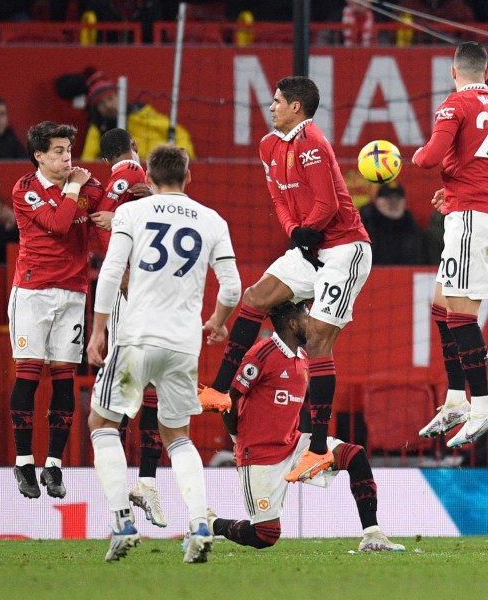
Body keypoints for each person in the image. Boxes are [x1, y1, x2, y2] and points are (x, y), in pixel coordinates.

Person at [207, 76, 372, 485]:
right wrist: (294, 232)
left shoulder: (313, 142)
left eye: (278, 101)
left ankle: (317, 449)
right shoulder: (269, 146)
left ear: (297, 106)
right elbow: (279, 197)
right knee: (255, 296)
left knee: (316, 339)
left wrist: (308, 229)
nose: (272, 107)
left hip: (344, 250)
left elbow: (329, 203)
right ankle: (219, 389)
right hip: (308, 249)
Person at [86, 144, 241, 563]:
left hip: (136, 337)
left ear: (148, 179)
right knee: (177, 435)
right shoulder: (212, 220)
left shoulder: (131, 213)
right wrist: (218, 321)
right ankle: (199, 524)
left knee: (102, 421)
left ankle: (121, 521)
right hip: (183, 345)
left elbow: (111, 272)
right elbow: (232, 288)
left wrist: (98, 330)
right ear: (188, 177)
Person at [208, 301, 406, 553]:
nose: (311, 322)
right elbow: (228, 399)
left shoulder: (304, 356)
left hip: (293, 444)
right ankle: (210, 523)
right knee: (265, 535)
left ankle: (372, 535)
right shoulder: (261, 355)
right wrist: (238, 436)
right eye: (306, 317)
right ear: (292, 324)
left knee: (355, 456)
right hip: (258, 454)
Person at [412, 41, 488, 448]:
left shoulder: (454, 105)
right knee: (441, 303)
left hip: (473, 219)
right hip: (487, 216)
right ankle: (456, 399)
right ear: (486, 73)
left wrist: (415, 155)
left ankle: (483, 405)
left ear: (454, 72)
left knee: (460, 314)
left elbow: (427, 158)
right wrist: (453, 190)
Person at [7, 121, 103, 499]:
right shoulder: (25, 189)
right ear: (39, 156)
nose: (67, 158)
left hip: (73, 294)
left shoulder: (86, 186)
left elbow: (111, 207)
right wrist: (77, 187)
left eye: (69, 150)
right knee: (29, 376)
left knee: (64, 379)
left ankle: (53, 467)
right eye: (59, 151)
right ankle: (23, 463)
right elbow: (60, 225)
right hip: (32, 293)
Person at [88, 127, 166, 527]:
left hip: (130, 293)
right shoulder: (135, 178)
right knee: (143, 391)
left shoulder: (121, 182)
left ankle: (125, 500)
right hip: (144, 293)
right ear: (134, 147)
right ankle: (143, 486)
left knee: (118, 400)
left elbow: (109, 224)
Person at [79, 68, 196, 161]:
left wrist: (183, 157)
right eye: (101, 103)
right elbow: (88, 159)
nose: (108, 105)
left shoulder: (142, 114)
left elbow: (179, 133)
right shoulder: (98, 128)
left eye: (110, 98)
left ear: (119, 97)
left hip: (159, 168)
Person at [359, 183, 428, 265]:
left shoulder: (412, 227)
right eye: (388, 198)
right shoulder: (364, 225)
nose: (393, 203)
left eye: (398, 199)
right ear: (376, 201)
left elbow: (419, 260)